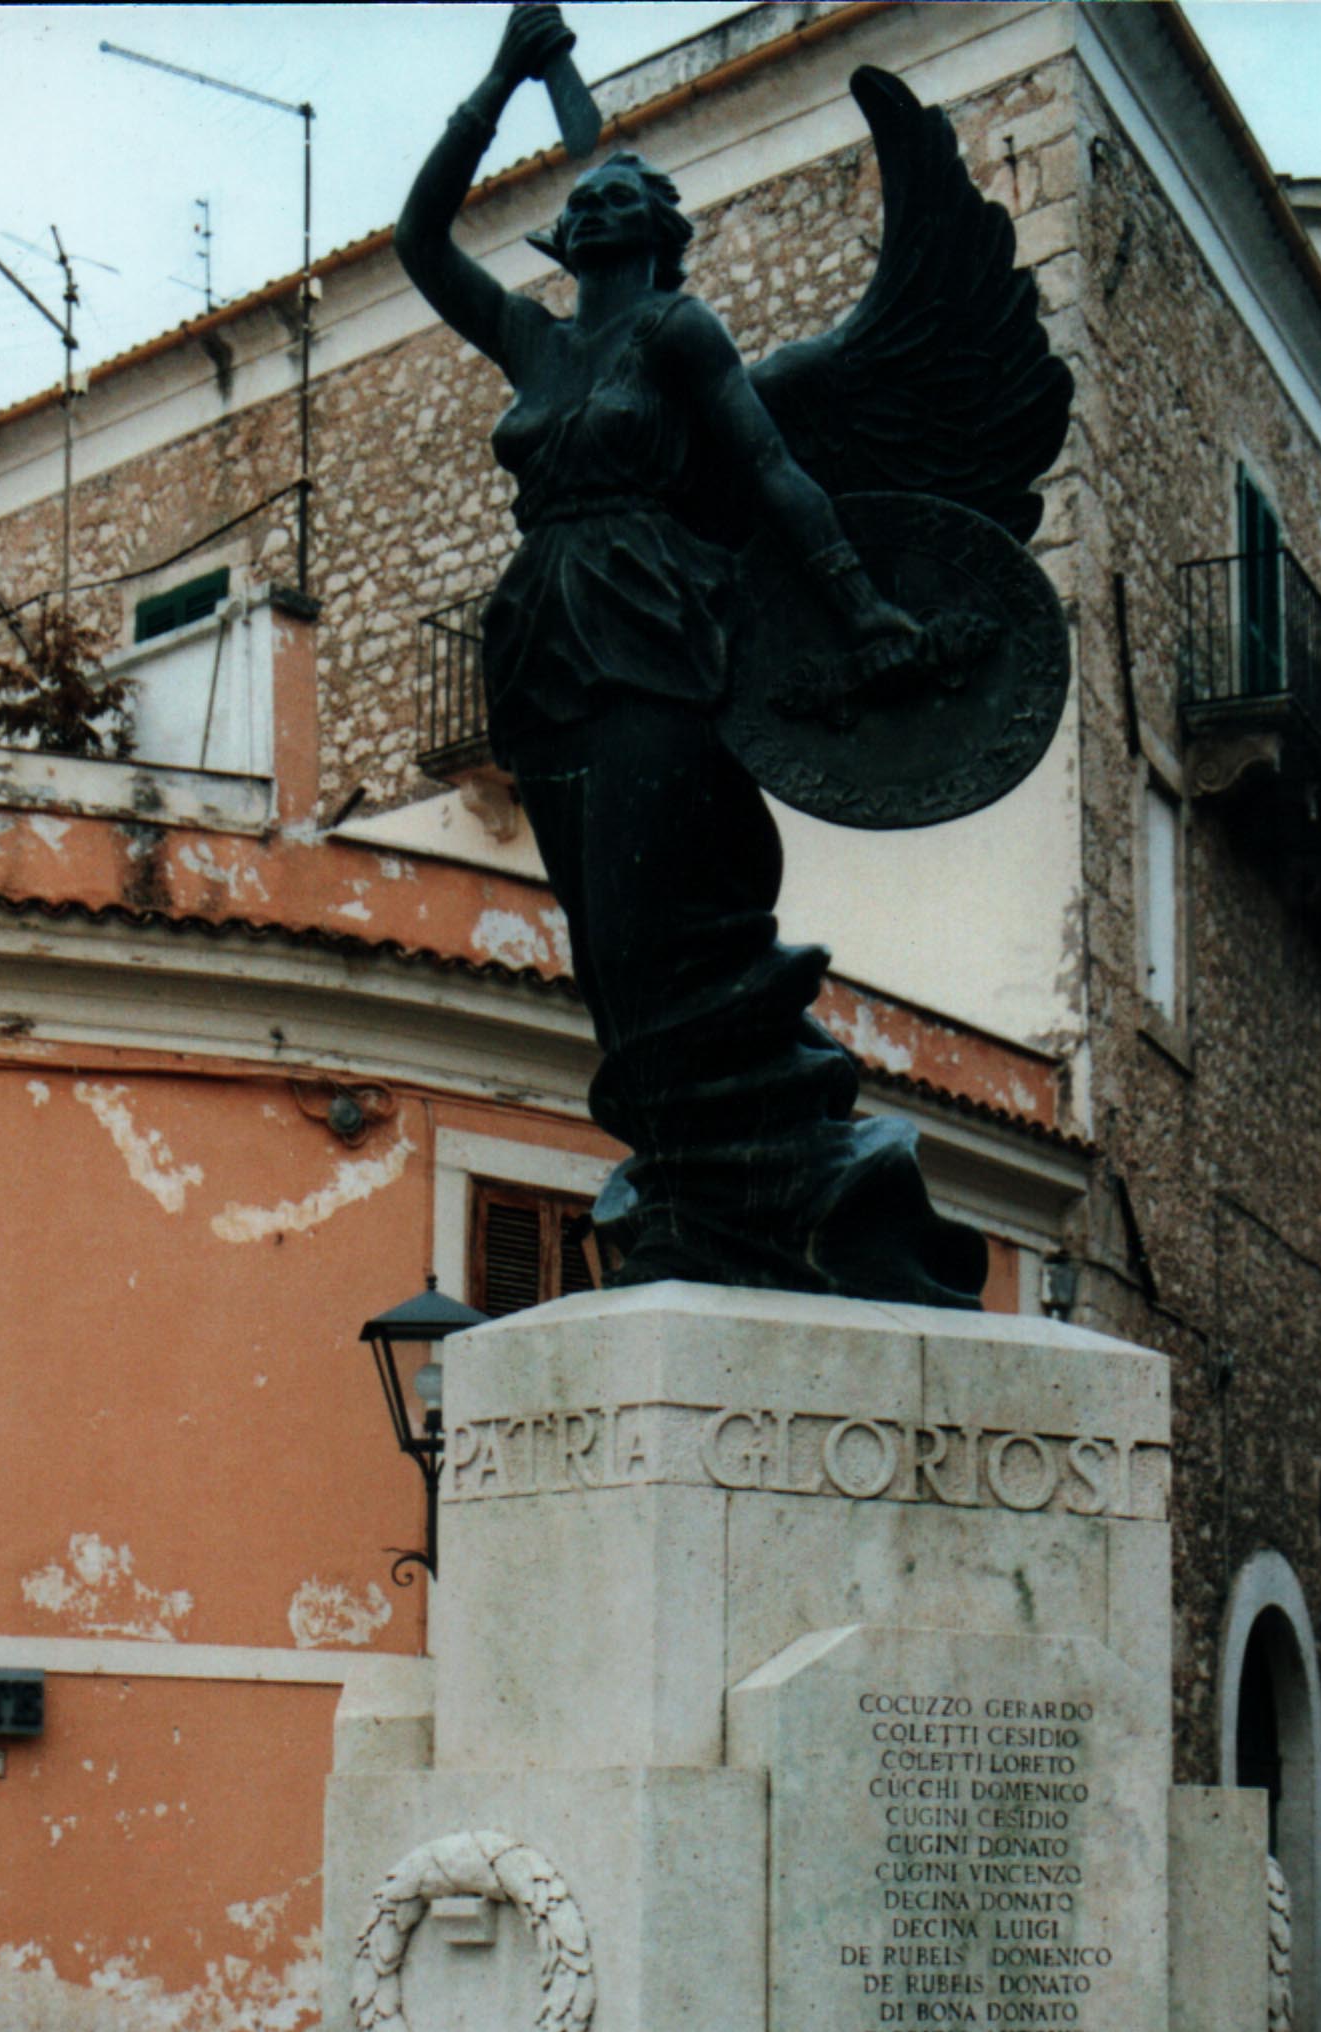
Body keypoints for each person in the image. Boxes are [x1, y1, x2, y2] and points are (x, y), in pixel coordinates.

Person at [396, 3, 1001, 1306]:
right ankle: (692, 1182)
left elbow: (775, 474)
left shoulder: (677, 335)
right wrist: (500, 83)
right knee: (607, 948)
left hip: (653, 639)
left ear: (658, 235)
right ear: (569, 229)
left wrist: (863, 610)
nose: (605, 196)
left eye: (631, 191)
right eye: (593, 189)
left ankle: (781, 1177)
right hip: (544, 652)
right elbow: (418, 242)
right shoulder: (538, 344)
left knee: (661, 914)